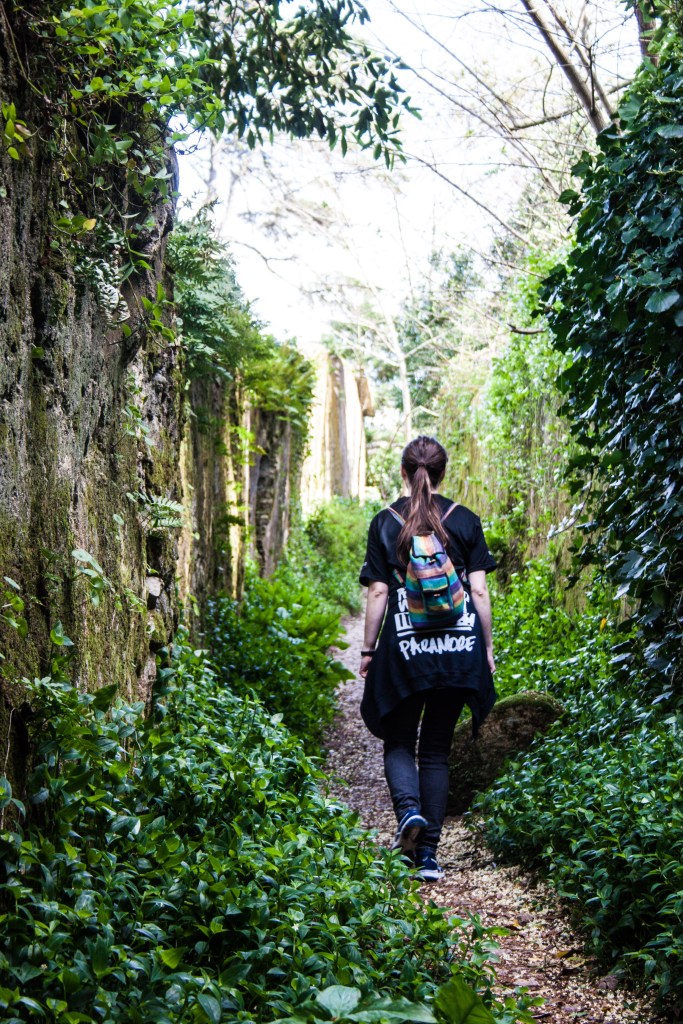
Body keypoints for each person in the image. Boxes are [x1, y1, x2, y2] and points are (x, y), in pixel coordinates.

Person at [359, 435, 497, 882]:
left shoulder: (385, 522)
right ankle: (429, 858)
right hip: (458, 650)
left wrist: (368, 650)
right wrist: (485, 648)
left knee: (400, 740)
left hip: (405, 650)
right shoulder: (465, 520)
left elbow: (378, 591)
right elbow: (479, 591)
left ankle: (408, 813)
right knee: (436, 749)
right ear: (442, 473)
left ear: (404, 472)